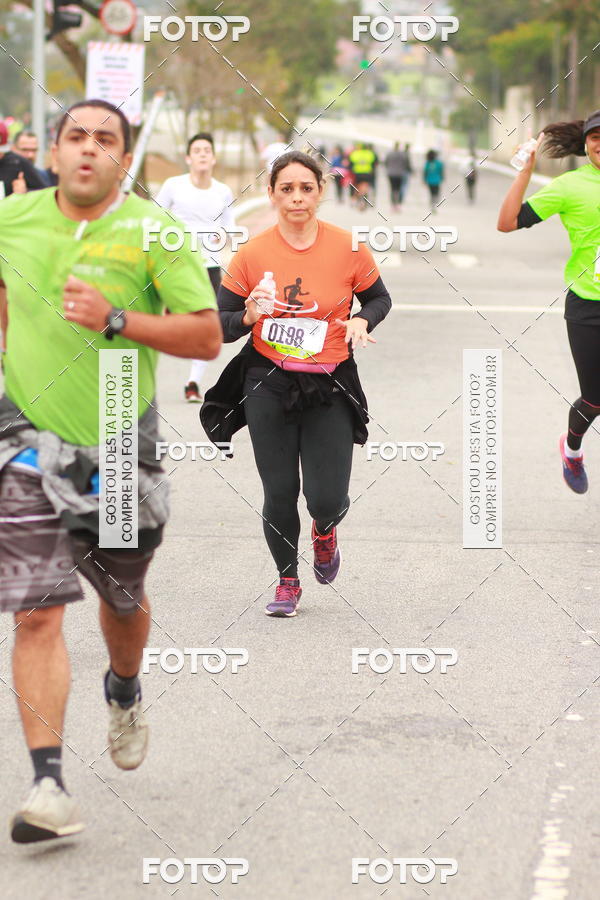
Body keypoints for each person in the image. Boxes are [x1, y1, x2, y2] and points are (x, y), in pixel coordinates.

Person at [0, 99, 221, 842]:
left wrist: (116, 320)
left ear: (124, 159)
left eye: (105, 140)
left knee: (123, 598)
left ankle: (123, 692)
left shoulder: (155, 231)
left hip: (123, 437)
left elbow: (204, 337)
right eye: (76, 137)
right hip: (26, 432)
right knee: (36, 612)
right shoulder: (15, 219)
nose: (89, 149)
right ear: (54, 152)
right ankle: (48, 786)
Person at [201, 150, 392, 617]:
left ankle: (324, 530)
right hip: (268, 381)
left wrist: (362, 321)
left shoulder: (348, 247)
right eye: (286, 188)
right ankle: (288, 580)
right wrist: (249, 313)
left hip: (329, 383)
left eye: (306, 188)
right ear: (271, 194)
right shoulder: (251, 253)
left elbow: (380, 298)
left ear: (321, 193)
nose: (296, 197)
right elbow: (220, 323)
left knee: (328, 497)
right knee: (279, 492)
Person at [498, 112, 600, 494]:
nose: (599, 143)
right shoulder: (570, 186)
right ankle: (572, 448)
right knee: (595, 399)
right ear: (585, 143)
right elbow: (507, 222)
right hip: (589, 304)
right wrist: (524, 172)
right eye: (594, 137)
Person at [156, 131, 236, 402]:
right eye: (197, 150)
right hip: (176, 265)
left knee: (208, 324)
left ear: (213, 158)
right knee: (168, 324)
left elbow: (229, 228)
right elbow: (155, 218)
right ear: (189, 158)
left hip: (209, 266)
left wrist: (221, 236)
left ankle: (193, 382)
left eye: (207, 150)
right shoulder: (173, 185)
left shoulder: (222, 191)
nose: (202, 154)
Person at [0, 120, 46, 198]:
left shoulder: (18, 163)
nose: (30, 155)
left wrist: (25, 194)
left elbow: (44, 195)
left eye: (34, 150)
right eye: (25, 150)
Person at [349, 142, 376, 210]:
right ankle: (364, 201)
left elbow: (350, 163)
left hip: (357, 173)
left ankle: (357, 201)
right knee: (365, 188)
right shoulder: (370, 153)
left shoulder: (355, 153)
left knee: (357, 187)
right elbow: (374, 163)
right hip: (367, 173)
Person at [385, 141, 411, 211]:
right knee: (399, 189)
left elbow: (386, 163)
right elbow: (407, 164)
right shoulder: (403, 155)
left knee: (392, 189)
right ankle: (398, 204)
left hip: (391, 173)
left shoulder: (390, 154)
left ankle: (393, 204)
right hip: (400, 174)